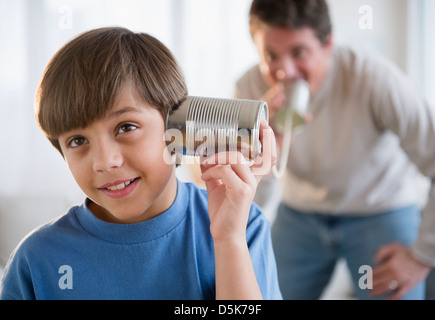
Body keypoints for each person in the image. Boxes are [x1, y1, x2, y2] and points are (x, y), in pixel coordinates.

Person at [0, 27, 281, 300]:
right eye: (77, 141)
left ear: (177, 127)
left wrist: (228, 242)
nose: (105, 161)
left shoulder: (242, 228)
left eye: (126, 127)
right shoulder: (36, 261)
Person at [234, 0, 435, 300]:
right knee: (258, 291)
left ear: (327, 43)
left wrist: (422, 257)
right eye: (271, 55)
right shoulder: (250, 90)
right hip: (301, 213)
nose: (284, 71)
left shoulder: (373, 78)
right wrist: (269, 147)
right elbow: (248, 201)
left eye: (298, 52)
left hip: (380, 207)